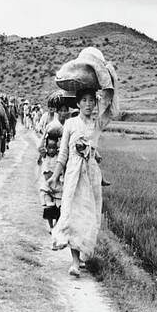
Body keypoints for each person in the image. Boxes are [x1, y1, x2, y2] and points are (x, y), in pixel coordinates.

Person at [47, 85, 116, 277]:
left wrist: (109, 87)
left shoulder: (96, 124)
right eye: (84, 100)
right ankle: (75, 262)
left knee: (88, 215)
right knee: (72, 213)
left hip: (91, 174)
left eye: (91, 100)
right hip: (73, 173)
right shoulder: (70, 124)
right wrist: (54, 175)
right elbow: (63, 154)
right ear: (77, 103)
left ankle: (83, 254)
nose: (88, 104)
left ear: (95, 103)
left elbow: (112, 110)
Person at [40, 135, 64, 230]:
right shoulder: (44, 156)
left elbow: (63, 149)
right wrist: (45, 133)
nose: (51, 150)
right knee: (49, 208)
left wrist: (61, 138)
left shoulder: (59, 156)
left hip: (57, 184)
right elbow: (39, 147)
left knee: (59, 207)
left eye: (54, 148)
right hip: (47, 185)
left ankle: (56, 226)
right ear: (46, 148)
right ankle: (50, 226)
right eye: (49, 148)